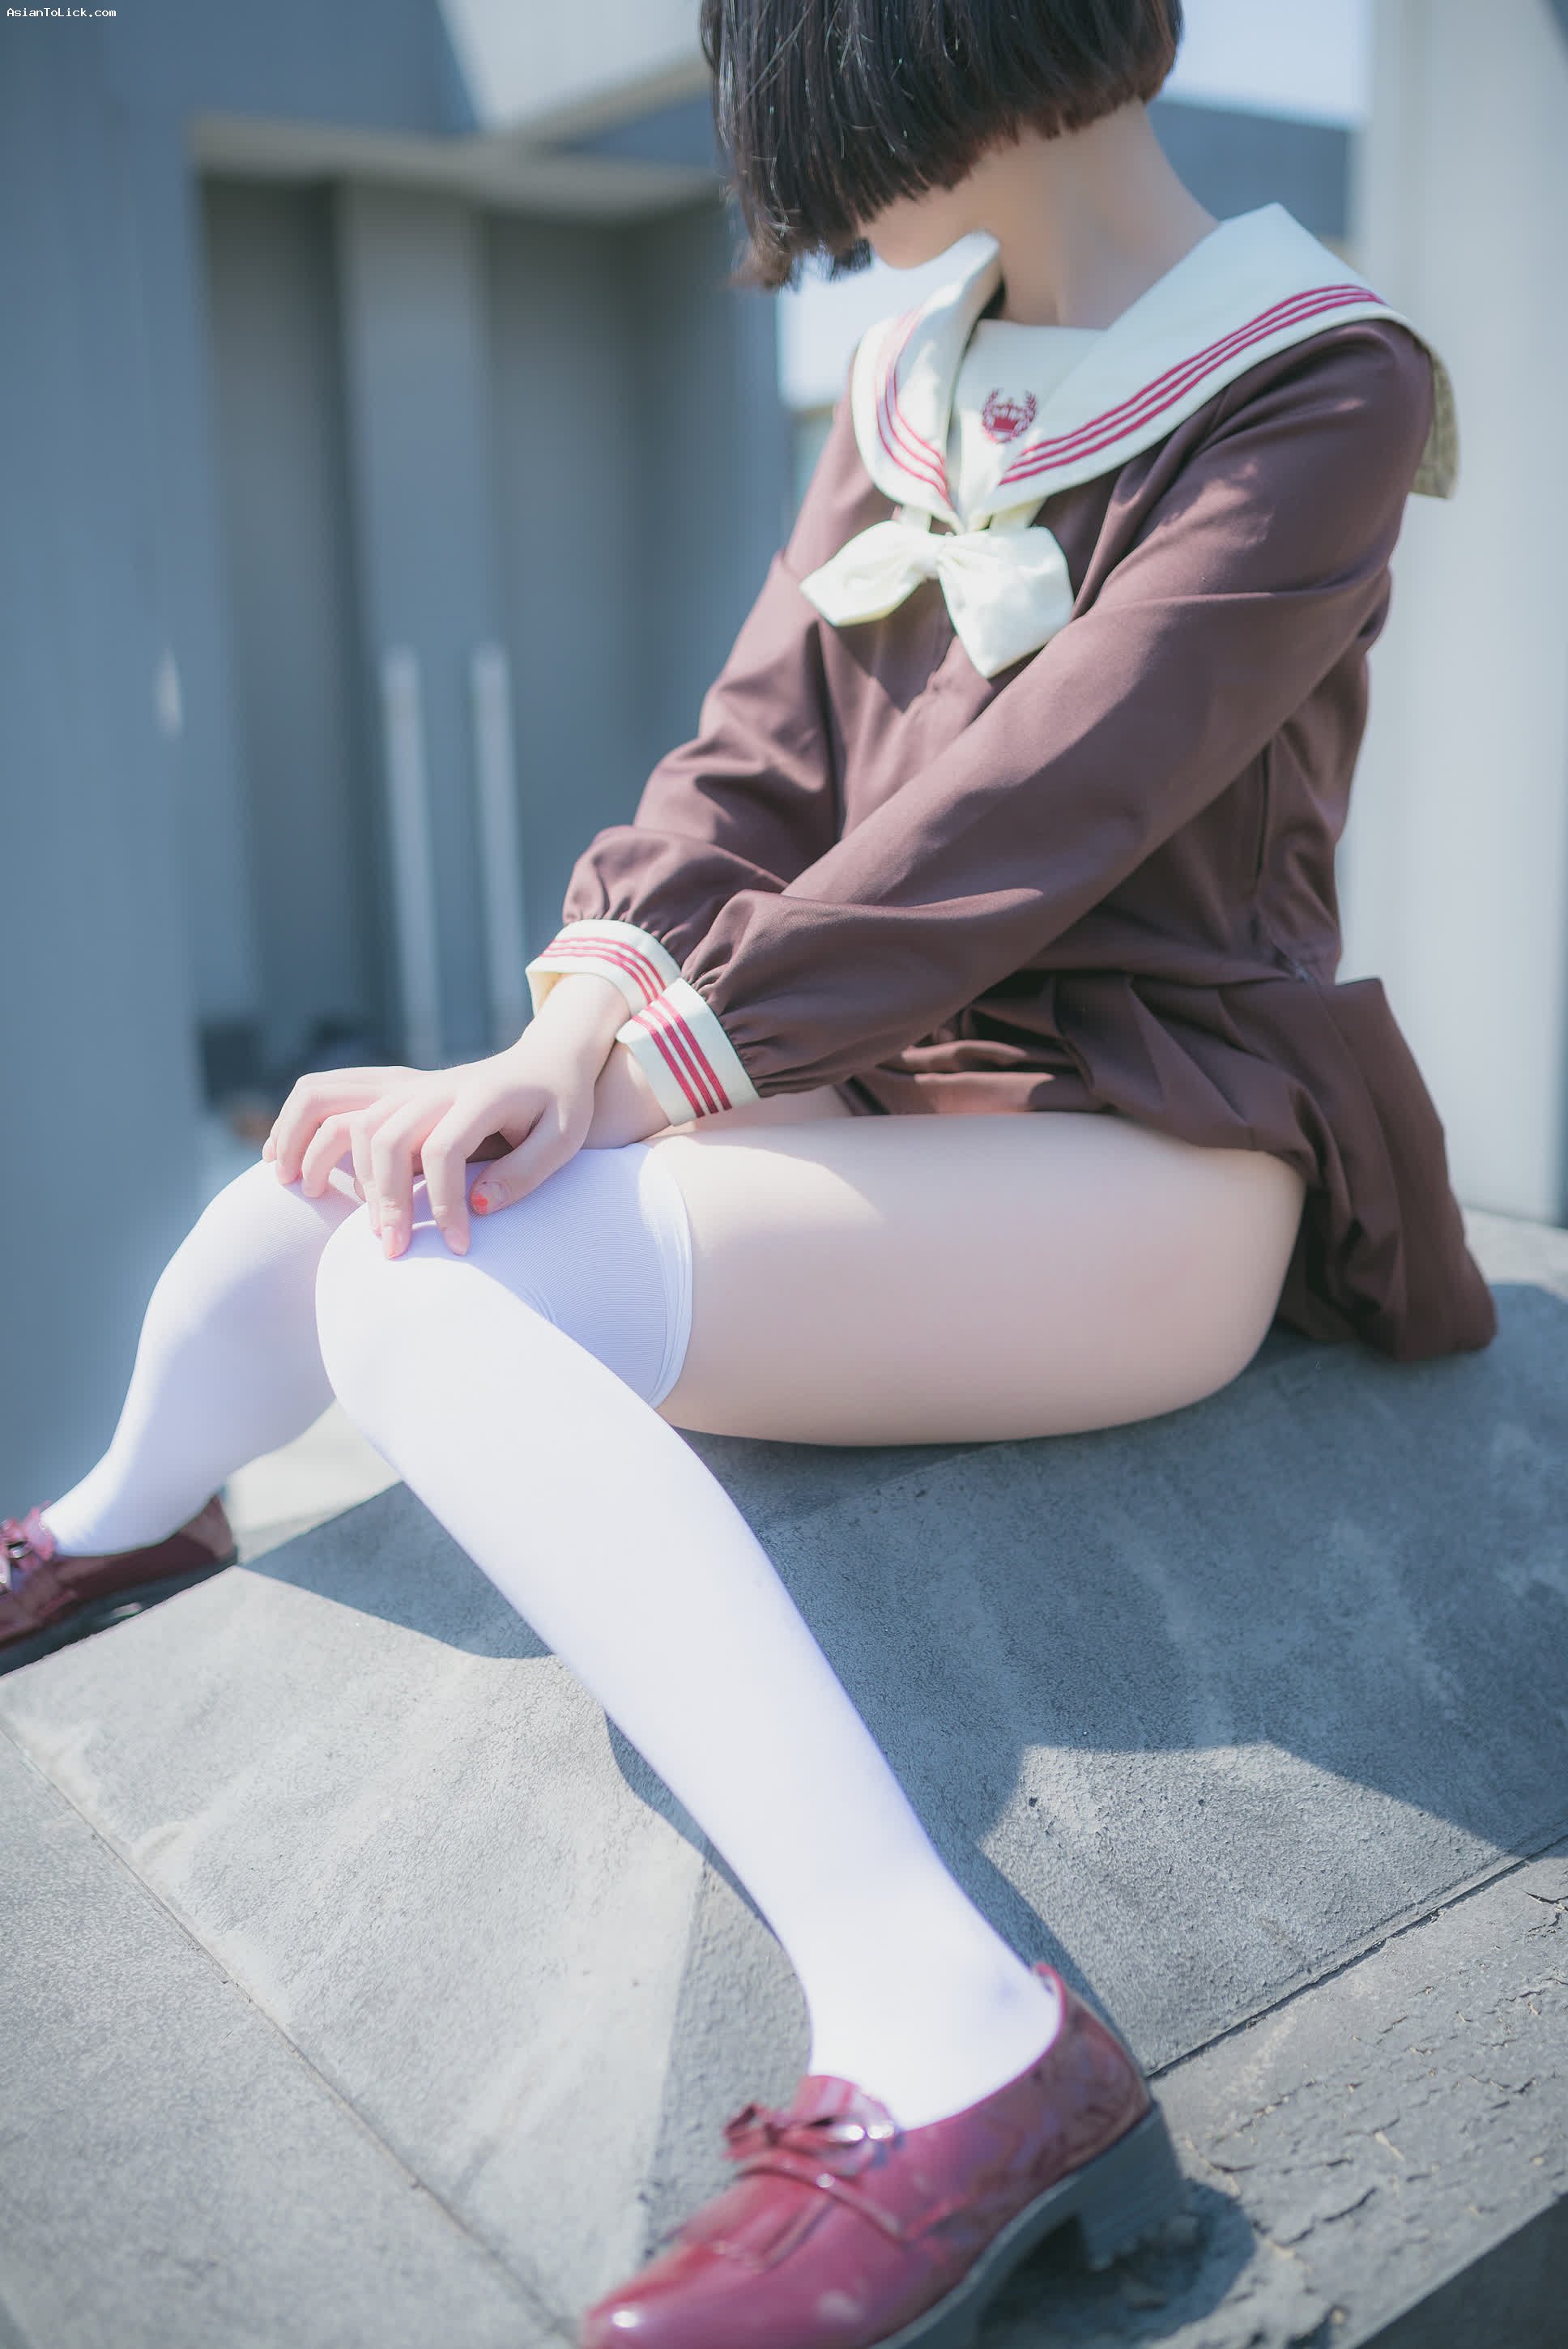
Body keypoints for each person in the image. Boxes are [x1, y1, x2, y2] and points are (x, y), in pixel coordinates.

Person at [2, 2, 1496, 2342]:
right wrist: (560, 1039)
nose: (777, 172)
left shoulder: (1322, 380)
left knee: (423, 1286)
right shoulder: (922, 374)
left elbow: (1049, 801)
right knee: (349, 1185)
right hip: (866, 1072)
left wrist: (663, 1067)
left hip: (1156, 1137)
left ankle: (955, 2032)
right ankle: (116, 1520)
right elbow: (748, 771)